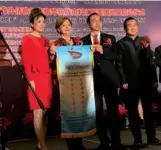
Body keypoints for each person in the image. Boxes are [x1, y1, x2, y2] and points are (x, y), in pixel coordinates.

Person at [81, 13, 127, 150]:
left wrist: (103, 51)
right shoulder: (83, 41)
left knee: (113, 112)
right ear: (88, 24)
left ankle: (116, 143)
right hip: (92, 81)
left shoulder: (110, 38)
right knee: (98, 113)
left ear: (101, 23)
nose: (96, 23)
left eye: (98, 20)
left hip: (109, 80)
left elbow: (116, 56)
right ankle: (104, 142)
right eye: (93, 21)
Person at [116, 17, 161, 149]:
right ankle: (137, 139)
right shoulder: (121, 43)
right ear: (125, 28)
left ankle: (152, 137)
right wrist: (123, 81)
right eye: (129, 25)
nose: (132, 27)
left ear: (138, 26)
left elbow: (151, 62)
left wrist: (153, 79)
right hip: (130, 82)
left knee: (148, 111)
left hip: (145, 81)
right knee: (133, 112)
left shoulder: (144, 41)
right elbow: (119, 64)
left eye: (135, 25)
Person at [49, 17, 86, 150]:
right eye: (63, 25)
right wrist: (52, 55)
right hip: (64, 85)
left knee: (80, 114)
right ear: (58, 29)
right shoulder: (56, 44)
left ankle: (80, 144)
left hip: (79, 83)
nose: (67, 27)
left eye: (69, 25)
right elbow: (51, 65)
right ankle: (72, 146)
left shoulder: (78, 42)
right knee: (69, 115)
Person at [21, 8, 52, 150]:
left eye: (43, 22)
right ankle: (43, 145)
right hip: (35, 79)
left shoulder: (45, 40)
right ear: (32, 24)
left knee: (45, 113)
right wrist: (31, 80)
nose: (42, 24)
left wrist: (52, 55)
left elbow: (49, 60)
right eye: (38, 22)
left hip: (46, 78)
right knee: (38, 113)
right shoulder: (27, 38)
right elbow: (26, 61)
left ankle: (41, 143)